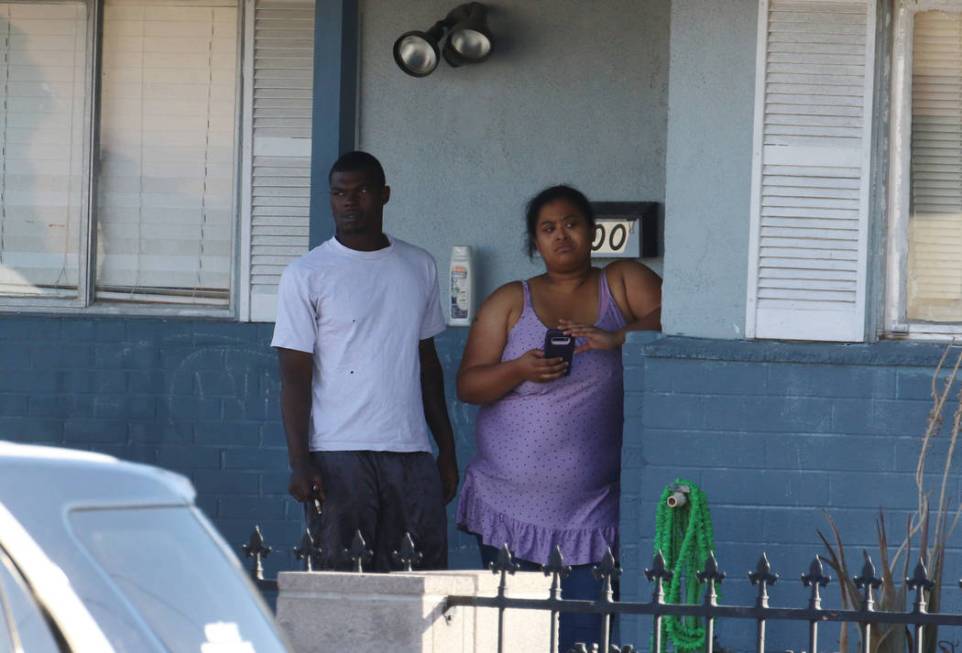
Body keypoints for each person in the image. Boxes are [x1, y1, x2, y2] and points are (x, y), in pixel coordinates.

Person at [455, 185, 661, 648]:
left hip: (589, 511)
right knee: (516, 636)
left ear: (592, 231)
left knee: (586, 634)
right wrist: (519, 369)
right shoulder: (512, 300)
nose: (561, 235)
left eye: (571, 223)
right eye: (547, 228)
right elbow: (468, 385)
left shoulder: (621, 282)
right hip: (507, 503)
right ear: (535, 241)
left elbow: (677, 315)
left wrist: (618, 337)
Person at [271, 151, 458, 571]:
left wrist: (445, 449)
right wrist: (300, 460)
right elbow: (294, 378)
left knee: (418, 582)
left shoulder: (418, 265)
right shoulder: (307, 274)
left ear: (385, 195)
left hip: (410, 451)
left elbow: (428, 364)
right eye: (339, 193)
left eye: (361, 192)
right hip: (338, 454)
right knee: (340, 582)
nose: (350, 202)